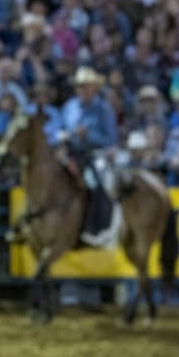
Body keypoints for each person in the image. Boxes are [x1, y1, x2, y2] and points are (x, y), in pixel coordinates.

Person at [51, 66, 119, 247]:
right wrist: (62, 135)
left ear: (94, 88)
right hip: (70, 153)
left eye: (87, 86)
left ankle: (96, 226)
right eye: (80, 86)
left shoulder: (103, 109)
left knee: (94, 182)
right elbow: (57, 130)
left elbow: (111, 140)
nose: (83, 90)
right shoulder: (68, 108)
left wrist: (88, 136)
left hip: (94, 154)